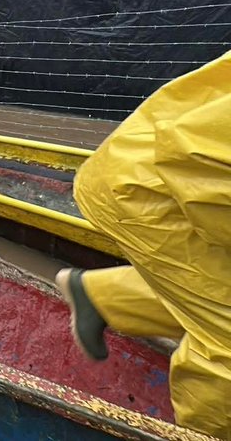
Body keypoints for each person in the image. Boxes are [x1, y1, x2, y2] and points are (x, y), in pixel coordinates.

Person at [56, 51, 230, 438]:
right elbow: (193, 155)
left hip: (170, 183)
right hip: (156, 192)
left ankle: (101, 296)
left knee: (210, 292)